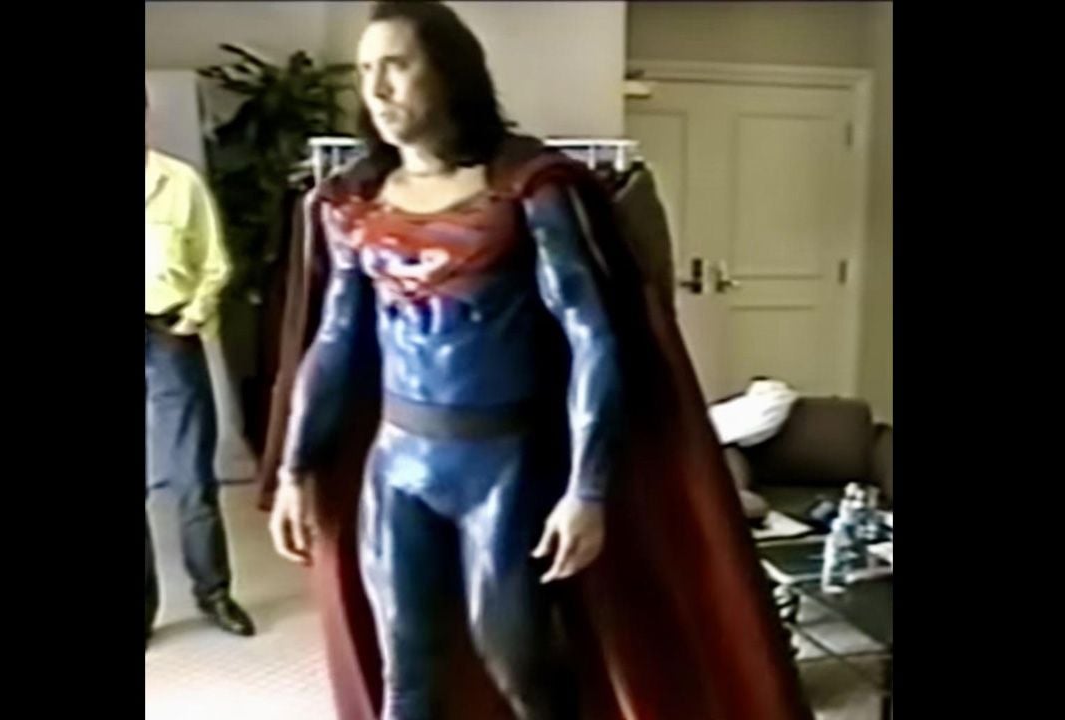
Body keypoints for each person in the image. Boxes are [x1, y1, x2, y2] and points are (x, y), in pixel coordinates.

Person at [264, 3, 812, 719]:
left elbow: (593, 337)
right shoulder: (356, 203)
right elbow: (335, 341)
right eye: (367, 70)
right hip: (396, 466)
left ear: (448, 72)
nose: (378, 88)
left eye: (397, 65)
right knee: (404, 674)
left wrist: (587, 491)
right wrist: (296, 468)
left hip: (504, 468)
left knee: (521, 667)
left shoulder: (528, 190)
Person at [146, 91, 254, 648]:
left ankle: (213, 593)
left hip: (170, 333)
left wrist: (190, 318)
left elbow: (214, 264)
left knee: (192, 477)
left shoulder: (179, 182)